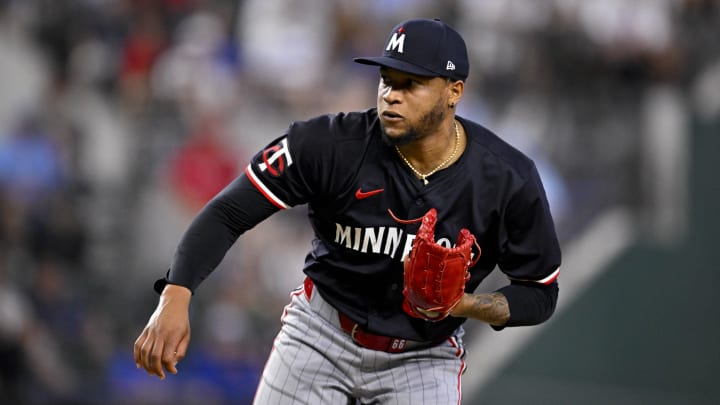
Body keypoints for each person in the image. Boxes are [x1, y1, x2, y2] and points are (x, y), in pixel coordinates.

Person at [134, 18, 561, 404]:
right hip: (321, 334)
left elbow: (540, 292)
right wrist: (175, 294)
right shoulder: (330, 146)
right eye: (386, 79)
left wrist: (462, 303)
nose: (391, 95)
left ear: (454, 92)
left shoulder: (508, 179)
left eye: (410, 84)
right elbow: (229, 212)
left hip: (423, 357)